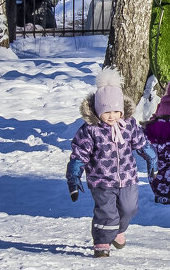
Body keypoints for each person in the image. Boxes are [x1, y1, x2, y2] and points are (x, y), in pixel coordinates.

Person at [65, 69, 158, 257]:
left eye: (116, 111)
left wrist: (152, 159)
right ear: (99, 110)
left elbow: (141, 144)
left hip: (128, 177)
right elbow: (79, 154)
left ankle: (118, 231)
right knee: (107, 213)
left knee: (130, 209)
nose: (112, 116)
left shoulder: (129, 125)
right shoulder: (91, 130)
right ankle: (101, 242)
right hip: (101, 181)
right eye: (107, 112)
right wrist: (73, 177)